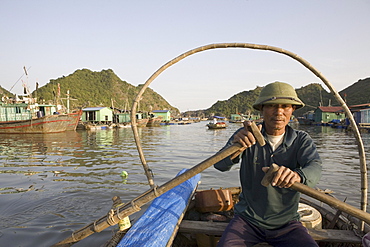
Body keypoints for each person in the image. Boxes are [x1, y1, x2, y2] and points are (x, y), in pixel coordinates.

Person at [214, 81, 322, 247]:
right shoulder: (246, 135)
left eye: (285, 106)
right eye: (272, 106)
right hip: (247, 220)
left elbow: (314, 167)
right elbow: (219, 165)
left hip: (287, 223)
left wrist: (297, 176)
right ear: (262, 109)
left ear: (292, 110)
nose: (279, 112)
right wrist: (237, 148)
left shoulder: (301, 140)